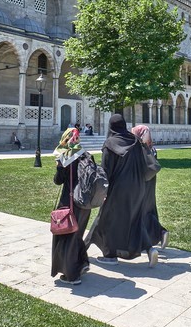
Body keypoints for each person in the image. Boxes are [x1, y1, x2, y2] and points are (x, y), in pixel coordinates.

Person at [85, 114, 159, 267]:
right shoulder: (135, 141)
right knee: (135, 219)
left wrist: (102, 191)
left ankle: (107, 255)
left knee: (104, 219)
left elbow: (106, 171)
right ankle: (150, 249)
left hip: (118, 189)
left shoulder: (110, 144)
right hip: (138, 187)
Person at [51, 128, 91, 285]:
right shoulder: (85, 154)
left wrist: (59, 166)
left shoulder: (66, 157)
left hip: (69, 203)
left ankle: (71, 275)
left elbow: (58, 180)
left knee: (66, 238)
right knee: (77, 235)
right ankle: (82, 263)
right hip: (84, 203)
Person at [131, 125, 169, 250]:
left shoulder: (140, 149)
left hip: (141, 183)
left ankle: (159, 233)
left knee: (140, 212)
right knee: (149, 210)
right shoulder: (152, 148)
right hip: (151, 182)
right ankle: (158, 234)